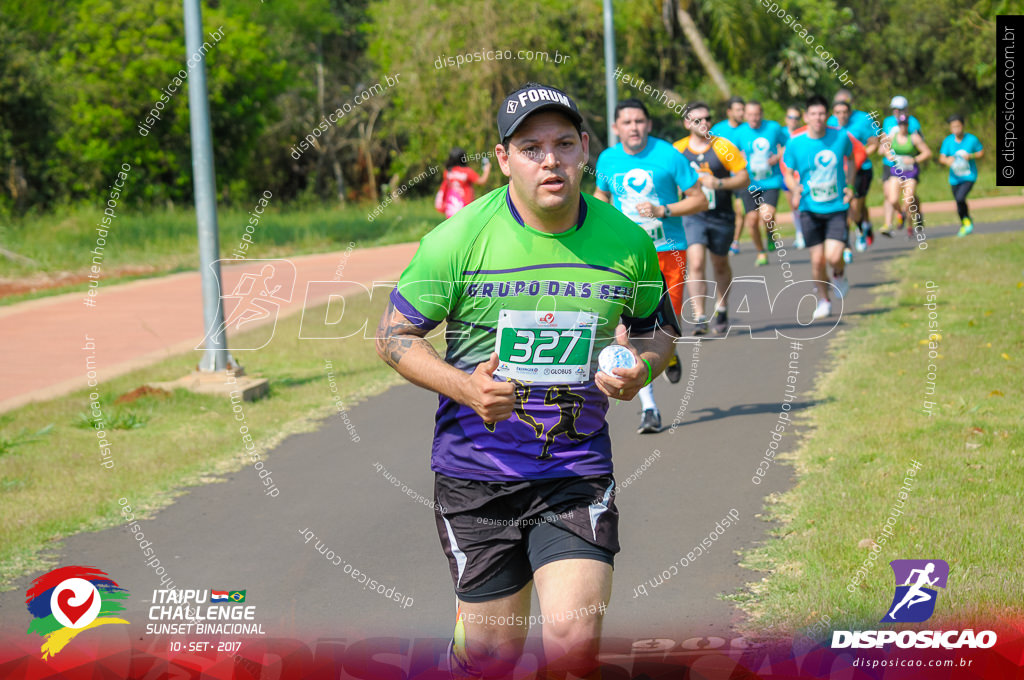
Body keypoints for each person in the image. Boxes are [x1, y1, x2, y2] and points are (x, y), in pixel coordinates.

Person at [376, 82, 679, 680]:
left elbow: (659, 331)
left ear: (586, 149)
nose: (551, 160)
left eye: (564, 144)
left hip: (575, 469)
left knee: (571, 636)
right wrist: (464, 387)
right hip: (476, 473)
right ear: (503, 158)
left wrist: (639, 367)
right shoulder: (458, 239)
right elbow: (394, 338)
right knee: (491, 655)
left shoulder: (627, 242)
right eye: (532, 147)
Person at [594, 98, 707, 434]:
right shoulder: (607, 159)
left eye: (640, 121)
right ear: (616, 127)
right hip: (626, 258)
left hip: (668, 252)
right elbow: (601, 198)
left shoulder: (669, 155)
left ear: (649, 124)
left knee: (665, 327)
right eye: (627, 122)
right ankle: (650, 409)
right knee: (629, 331)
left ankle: (668, 353)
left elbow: (699, 198)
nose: (634, 128)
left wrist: (664, 211)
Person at [782, 94, 866, 320]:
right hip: (809, 207)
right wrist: (795, 189)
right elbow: (788, 173)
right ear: (806, 117)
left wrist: (849, 185)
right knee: (817, 260)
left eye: (821, 114)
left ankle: (839, 274)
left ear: (826, 115)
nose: (818, 118)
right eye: (813, 114)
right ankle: (823, 299)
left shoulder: (840, 136)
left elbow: (852, 158)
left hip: (836, 206)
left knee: (833, 256)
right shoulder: (795, 142)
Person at [674, 102, 749, 335]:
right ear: (687, 123)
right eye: (698, 120)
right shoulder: (677, 149)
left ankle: (722, 307)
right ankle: (699, 316)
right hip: (692, 215)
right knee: (695, 262)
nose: (704, 123)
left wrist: (718, 183)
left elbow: (744, 178)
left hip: (722, 215)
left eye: (707, 118)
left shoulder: (723, 146)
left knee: (720, 263)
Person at [738, 100, 788, 266]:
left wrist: (778, 156)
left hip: (770, 181)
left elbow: (787, 144)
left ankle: (769, 232)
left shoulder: (773, 127)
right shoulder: (740, 132)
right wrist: (739, 159)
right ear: (745, 115)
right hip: (749, 182)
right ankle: (761, 252)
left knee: (767, 216)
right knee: (751, 221)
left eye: (757, 114)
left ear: (762, 114)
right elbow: (731, 152)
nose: (754, 118)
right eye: (750, 115)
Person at [829, 92, 879, 252]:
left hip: (861, 170)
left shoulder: (862, 120)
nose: (842, 115)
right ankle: (849, 239)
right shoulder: (829, 123)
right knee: (847, 205)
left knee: (858, 204)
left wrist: (858, 157)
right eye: (838, 111)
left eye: (845, 110)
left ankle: (862, 227)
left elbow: (874, 143)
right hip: (839, 172)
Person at [710, 96, 750, 255]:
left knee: (740, 210)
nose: (741, 113)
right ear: (729, 112)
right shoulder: (718, 129)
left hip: (740, 176)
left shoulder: (748, 129)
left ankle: (735, 241)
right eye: (738, 110)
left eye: (743, 110)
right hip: (722, 177)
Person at [878, 96, 923, 235]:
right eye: (894, 109)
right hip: (891, 165)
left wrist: (913, 159)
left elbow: (920, 142)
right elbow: (884, 140)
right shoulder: (887, 121)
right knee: (890, 195)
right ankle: (893, 220)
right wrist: (885, 151)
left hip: (909, 166)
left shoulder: (913, 122)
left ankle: (916, 213)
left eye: (900, 109)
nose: (897, 112)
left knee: (909, 196)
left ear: (906, 109)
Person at [881, 113, 931, 238]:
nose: (903, 127)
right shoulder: (893, 137)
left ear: (908, 125)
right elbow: (884, 148)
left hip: (910, 172)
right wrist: (889, 155)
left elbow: (927, 152)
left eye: (905, 124)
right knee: (892, 199)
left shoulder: (913, 137)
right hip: (896, 171)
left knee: (908, 200)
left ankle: (910, 226)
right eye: (900, 124)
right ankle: (901, 214)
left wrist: (914, 160)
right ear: (898, 125)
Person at [939, 114, 984, 236]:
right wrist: (947, 160)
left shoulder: (972, 139)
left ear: (962, 126)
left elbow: (981, 152)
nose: (956, 129)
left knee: (960, 197)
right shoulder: (948, 141)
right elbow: (942, 158)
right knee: (958, 202)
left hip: (969, 176)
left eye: (958, 126)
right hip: (954, 177)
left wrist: (971, 156)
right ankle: (966, 221)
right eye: (953, 126)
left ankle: (966, 223)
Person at [438, 147, 492, 219]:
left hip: (451, 206)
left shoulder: (447, 172)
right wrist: (487, 169)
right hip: (465, 207)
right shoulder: (467, 172)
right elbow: (482, 181)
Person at [784, 105, 806, 249]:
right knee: (793, 205)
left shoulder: (803, 133)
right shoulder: (780, 133)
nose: (793, 120)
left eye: (796, 118)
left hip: (801, 174)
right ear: (786, 119)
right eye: (791, 117)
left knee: (802, 204)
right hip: (786, 174)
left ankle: (806, 233)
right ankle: (799, 233)